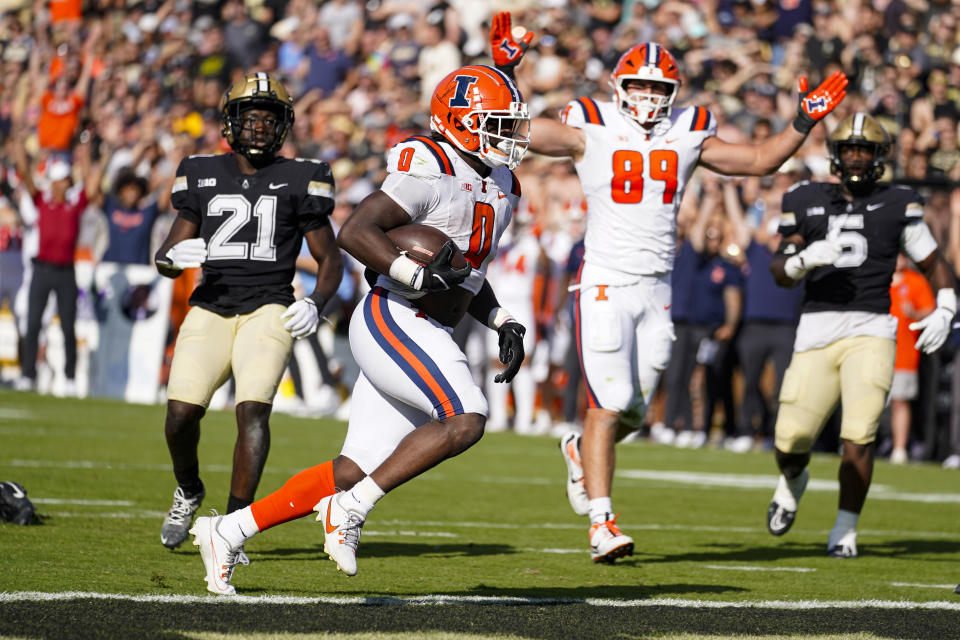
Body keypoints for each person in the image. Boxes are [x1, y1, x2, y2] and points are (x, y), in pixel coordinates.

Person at [489, 11, 849, 562]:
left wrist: (801, 123)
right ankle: (602, 523)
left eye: (659, 87)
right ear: (619, 86)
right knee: (608, 404)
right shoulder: (590, 122)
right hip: (606, 281)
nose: (650, 96)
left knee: (634, 409)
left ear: (673, 90)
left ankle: (580, 452)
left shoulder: (690, 129)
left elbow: (756, 160)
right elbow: (514, 128)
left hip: (658, 288)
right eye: (640, 85)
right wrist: (505, 68)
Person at [188, 64, 530, 594]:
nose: (508, 138)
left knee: (355, 465)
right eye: (497, 124)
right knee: (466, 418)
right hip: (395, 313)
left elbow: (466, 271)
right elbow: (355, 231)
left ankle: (226, 530)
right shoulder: (430, 167)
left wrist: (500, 317)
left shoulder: (503, 184)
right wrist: (413, 272)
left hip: (427, 322)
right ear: (461, 121)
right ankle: (349, 511)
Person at [155, 72, 343, 550]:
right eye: (250, 116)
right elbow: (170, 253)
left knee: (253, 411)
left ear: (283, 125)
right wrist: (168, 261)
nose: (259, 126)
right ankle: (189, 489)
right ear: (230, 121)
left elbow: (331, 258)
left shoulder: (302, 177)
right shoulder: (201, 172)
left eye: (269, 117)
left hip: (269, 306)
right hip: (212, 304)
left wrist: (318, 303)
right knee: (180, 414)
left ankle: (232, 529)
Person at [765, 113, 956, 558]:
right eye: (848, 149)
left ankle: (845, 528)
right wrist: (802, 260)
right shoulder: (804, 197)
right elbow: (779, 272)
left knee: (860, 433)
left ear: (878, 156)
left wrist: (947, 304)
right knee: (790, 439)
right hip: (816, 327)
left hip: (872, 327)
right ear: (835, 154)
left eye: (863, 150)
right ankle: (793, 479)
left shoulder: (898, 203)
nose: (854, 158)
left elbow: (932, 261)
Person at [887, 253, 935, 464]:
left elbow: (931, 310)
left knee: (900, 401)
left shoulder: (915, 281)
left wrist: (915, 312)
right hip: (875, 351)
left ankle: (899, 448)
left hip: (904, 353)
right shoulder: (878, 277)